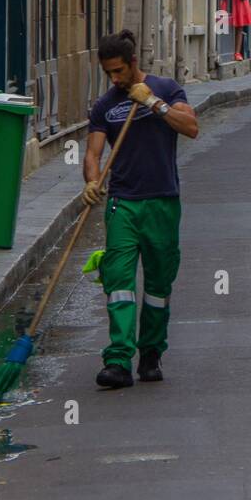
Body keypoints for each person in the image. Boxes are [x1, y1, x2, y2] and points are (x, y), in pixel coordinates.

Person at [84, 29, 200, 388]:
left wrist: (153, 103)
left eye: (119, 71)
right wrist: (91, 181)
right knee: (118, 280)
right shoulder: (105, 106)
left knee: (158, 284)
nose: (115, 79)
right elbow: (93, 153)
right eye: (109, 74)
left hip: (163, 201)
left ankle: (151, 353)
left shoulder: (166, 89)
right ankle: (118, 359)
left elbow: (191, 127)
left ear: (134, 63)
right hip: (123, 203)